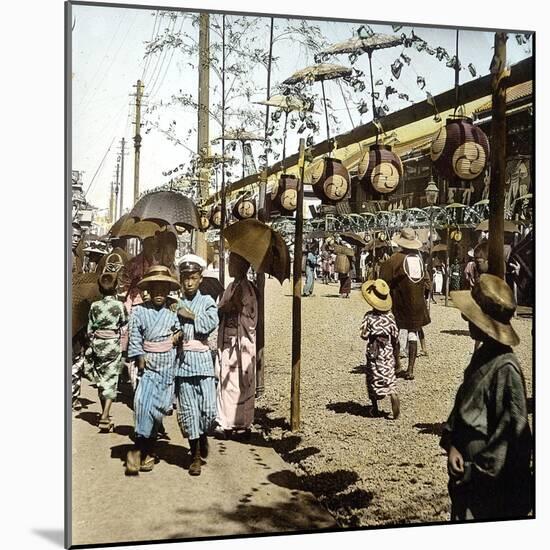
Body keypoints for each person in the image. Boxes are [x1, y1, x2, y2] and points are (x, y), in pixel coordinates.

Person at [440, 274, 532, 520]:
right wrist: (454, 444)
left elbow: (510, 435)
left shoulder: (505, 368)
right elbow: (464, 402)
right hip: (466, 469)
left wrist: (473, 471)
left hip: (489, 483)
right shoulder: (483, 355)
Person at [125, 266, 181, 475]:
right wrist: (139, 357)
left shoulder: (172, 311)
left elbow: (179, 331)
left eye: (163, 290)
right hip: (148, 364)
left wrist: (177, 335)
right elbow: (135, 337)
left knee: (157, 410)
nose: (159, 294)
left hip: (167, 363)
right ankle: (138, 449)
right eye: (155, 290)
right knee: (142, 404)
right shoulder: (139, 311)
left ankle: (149, 450)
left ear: (168, 291)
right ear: (149, 290)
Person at [175, 255, 219, 476]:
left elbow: (208, 326)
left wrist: (190, 315)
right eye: (185, 279)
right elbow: (169, 326)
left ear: (200, 278)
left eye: (193, 278)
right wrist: (175, 333)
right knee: (189, 410)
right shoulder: (175, 303)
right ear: (180, 279)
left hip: (203, 362)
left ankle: (202, 434)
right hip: (183, 364)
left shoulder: (208, 302)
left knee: (209, 410)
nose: (189, 283)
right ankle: (194, 455)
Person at [216, 252, 258, 438]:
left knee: (241, 382)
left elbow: (250, 314)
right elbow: (223, 306)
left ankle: (242, 424)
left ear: (243, 266)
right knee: (226, 380)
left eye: (233, 262)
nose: (230, 266)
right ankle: (225, 421)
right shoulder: (232, 286)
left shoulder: (247, 289)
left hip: (241, 340)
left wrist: (236, 307)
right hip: (228, 339)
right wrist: (226, 307)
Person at [380, 228, 430, 380]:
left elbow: (383, 282)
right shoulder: (419, 260)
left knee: (395, 332)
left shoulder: (395, 259)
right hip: (417, 304)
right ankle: (411, 370)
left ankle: (397, 365)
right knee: (413, 333)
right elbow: (427, 283)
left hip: (400, 302)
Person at [83, 272, 128, 432]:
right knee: (111, 379)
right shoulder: (119, 306)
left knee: (101, 379)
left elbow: (90, 327)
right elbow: (124, 322)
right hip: (112, 345)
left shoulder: (94, 306)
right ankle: (104, 415)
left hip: (98, 344)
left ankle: (105, 415)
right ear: (116, 287)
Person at [360, 279, 400, 419]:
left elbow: (364, 335)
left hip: (374, 350)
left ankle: (375, 407)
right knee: (389, 373)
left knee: (372, 376)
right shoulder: (390, 317)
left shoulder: (369, 317)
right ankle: (393, 393)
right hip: (387, 349)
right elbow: (395, 335)